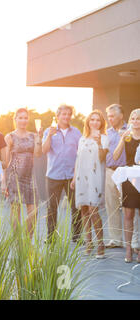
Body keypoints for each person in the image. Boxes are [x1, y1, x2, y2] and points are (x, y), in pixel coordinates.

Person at [71, 110, 109, 258]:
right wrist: (74, 178)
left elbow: (101, 158)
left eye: (97, 120)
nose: (94, 122)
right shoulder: (82, 139)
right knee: (84, 210)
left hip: (95, 178)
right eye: (92, 119)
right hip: (81, 177)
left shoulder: (104, 138)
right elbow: (78, 160)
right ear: (88, 122)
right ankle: (89, 242)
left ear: (101, 123)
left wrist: (99, 143)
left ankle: (100, 244)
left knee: (94, 210)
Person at [42, 104, 82, 242]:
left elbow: (80, 153)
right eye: (63, 114)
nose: (66, 117)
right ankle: (51, 237)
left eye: (68, 114)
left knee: (76, 207)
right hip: (54, 175)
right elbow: (44, 150)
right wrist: (49, 136)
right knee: (52, 208)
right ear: (57, 116)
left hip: (72, 176)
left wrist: (77, 175)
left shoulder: (76, 132)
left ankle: (77, 237)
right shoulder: (49, 131)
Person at [104, 104, 138, 250]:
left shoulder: (129, 130)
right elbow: (110, 154)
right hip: (112, 172)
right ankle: (116, 239)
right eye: (109, 116)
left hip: (129, 174)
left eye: (112, 116)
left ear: (121, 116)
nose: (110, 119)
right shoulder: (107, 132)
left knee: (131, 209)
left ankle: (134, 242)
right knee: (112, 206)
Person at [4, 108, 43, 237]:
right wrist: (4, 181)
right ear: (15, 119)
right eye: (20, 117)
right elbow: (5, 161)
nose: (23, 120)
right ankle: (17, 241)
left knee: (34, 211)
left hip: (29, 176)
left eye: (25, 118)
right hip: (14, 176)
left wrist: (39, 138)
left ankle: (27, 239)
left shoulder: (33, 136)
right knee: (16, 210)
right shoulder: (9, 137)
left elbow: (37, 154)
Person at [113, 108, 140, 263]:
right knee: (128, 215)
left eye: (139, 119)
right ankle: (128, 249)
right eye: (133, 118)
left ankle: (139, 248)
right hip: (129, 179)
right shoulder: (127, 137)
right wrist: (122, 139)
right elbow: (115, 157)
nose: (136, 121)